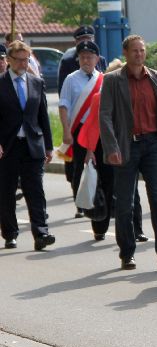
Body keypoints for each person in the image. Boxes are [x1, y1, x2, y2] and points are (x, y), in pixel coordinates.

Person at [99, 35, 157, 271]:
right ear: (125, 53)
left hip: (153, 144)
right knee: (125, 203)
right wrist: (112, 147)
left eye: (142, 50)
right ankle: (127, 253)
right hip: (126, 145)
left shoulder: (155, 76)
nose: (139, 54)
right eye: (134, 50)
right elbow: (105, 115)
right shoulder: (112, 80)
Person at [77, 59, 145, 242]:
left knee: (132, 190)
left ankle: (137, 229)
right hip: (104, 147)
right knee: (106, 187)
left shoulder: (134, 97)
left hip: (128, 146)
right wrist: (90, 151)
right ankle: (100, 226)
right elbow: (92, 126)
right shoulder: (99, 98)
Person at [0, 41, 55, 251]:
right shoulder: (1, 83)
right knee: (6, 191)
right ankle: (10, 233)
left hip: (33, 145)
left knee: (35, 191)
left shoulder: (36, 82)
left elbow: (43, 116)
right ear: (9, 60)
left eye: (26, 60)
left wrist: (48, 146)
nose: (23, 64)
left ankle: (41, 233)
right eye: (19, 60)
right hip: (8, 146)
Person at [58, 25, 107, 195]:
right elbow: (63, 105)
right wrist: (66, 131)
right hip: (80, 129)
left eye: (90, 57)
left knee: (103, 168)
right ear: (78, 59)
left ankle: (101, 201)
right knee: (79, 167)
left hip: (99, 130)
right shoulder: (71, 79)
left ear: (97, 59)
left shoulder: (103, 79)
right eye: (83, 57)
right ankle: (81, 202)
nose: (86, 60)